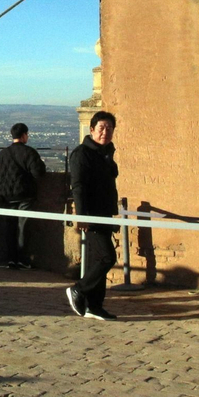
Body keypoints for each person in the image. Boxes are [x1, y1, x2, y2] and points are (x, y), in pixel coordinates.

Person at [67, 111, 119, 321]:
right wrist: (82, 215)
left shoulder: (105, 153)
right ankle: (79, 289)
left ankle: (95, 306)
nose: (105, 132)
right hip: (92, 213)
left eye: (109, 128)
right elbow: (78, 186)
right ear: (91, 130)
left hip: (105, 212)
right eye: (101, 128)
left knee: (99, 258)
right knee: (107, 257)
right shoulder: (82, 154)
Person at [0, 124, 46, 270]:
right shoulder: (29, 153)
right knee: (23, 227)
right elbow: (39, 173)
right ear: (23, 135)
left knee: (10, 227)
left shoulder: (2, 155)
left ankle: (11, 259)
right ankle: (22, 259)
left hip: (6, 196)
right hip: (25, 195)